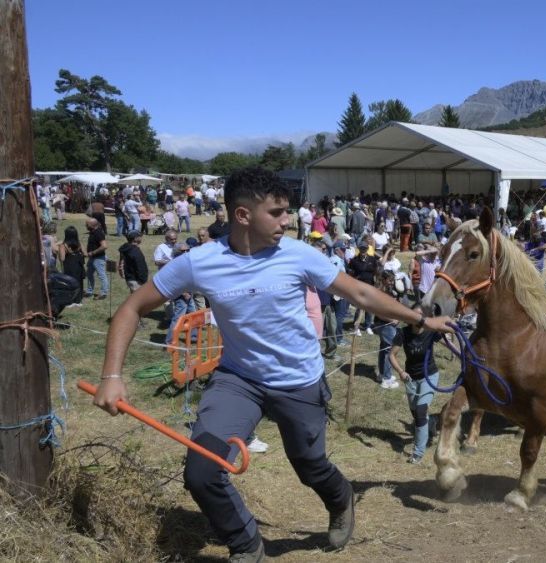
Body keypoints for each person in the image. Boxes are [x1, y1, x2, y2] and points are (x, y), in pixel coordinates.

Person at [90, 167, 453, 560]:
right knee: (201, 471)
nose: (288, 220)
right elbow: (132, 307)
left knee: (309, 465)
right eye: (277, 212)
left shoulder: (298, 254)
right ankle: (246, 546)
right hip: (237, 381)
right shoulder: (199, 262)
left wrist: (421, 319)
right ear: (243, 215)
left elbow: (362, 293)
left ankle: (340, 497)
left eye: (288, 212)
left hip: (299, 381)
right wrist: (111, 376)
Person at [387, 303, 440, 464]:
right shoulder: (403, 333)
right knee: (415, 413)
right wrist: (401, 372)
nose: (417, 319)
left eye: (420, 316)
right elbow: (391, 355)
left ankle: (418, 452)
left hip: (429, 375)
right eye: (414, 316)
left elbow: (448, 335)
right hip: (411, 378)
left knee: (420, 411)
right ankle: (430, 424)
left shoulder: (431, 332)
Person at [59, 225, 86, 306]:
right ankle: (78, 300)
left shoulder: (63, 245)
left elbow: (62, 258)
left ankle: (70, 301)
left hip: (69, 266)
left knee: (69, 283)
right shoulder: (79, 243)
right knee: (79, 282)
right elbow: (85, 253)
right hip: (78, 265)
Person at [84, 217, 109, 300]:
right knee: (89, 274)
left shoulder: (98, 233)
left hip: (98, 258)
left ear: (92, 225)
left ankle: (103, 293)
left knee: (101, 275)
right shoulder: (93, 232)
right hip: (92, 258)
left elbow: (104, 246)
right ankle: (89, 291)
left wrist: (93, 252)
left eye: (87, 224)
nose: (86, 225)